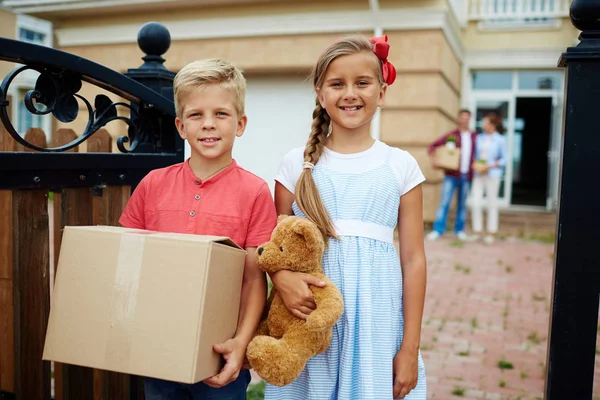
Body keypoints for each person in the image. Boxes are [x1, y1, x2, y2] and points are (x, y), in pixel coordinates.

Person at [266, 35, 427, 400]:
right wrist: (283, 277)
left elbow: (414, 260)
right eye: (337, 84)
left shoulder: (400, 166)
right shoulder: (295, 164)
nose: (350, 93)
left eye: (362, 83)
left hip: (376, 322)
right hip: (310, 317)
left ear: (382, 93)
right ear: (321, 95)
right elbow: (275, 243)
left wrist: (410, 348)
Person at [118, 59, 278, 399]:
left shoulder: (255, 191)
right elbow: (128, 264)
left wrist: (241, 342)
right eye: (196, 115)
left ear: (240, 123)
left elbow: (254, 281)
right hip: (158, 348)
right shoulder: (152, 185)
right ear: (180, 126)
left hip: (219, 353)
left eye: (221, 114)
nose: (208, 125)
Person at [425, 109, 477, 241]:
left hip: (467, 176)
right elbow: (433, 146)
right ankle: (438, 230)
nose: (465, 119)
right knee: (444, 203)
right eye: (463, 117)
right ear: (458, 119)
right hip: (451, 176)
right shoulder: (451, 135)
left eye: (467, 117)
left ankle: (459, 230)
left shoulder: (475, 136)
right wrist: (436, 160)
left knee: (462, 205)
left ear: (470, 119)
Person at [471, 112, 507, 245]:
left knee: (492, 203)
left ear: (492, 125)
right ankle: (477, 231)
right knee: (476, 202)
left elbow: (504, 159)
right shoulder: (479, 138)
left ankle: (491, 232)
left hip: (492, 174)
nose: (483, 124)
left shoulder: (500, 139)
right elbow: (475, 156)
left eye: (485, 122)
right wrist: (476, 164)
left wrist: (490, 166)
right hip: (479, 174)